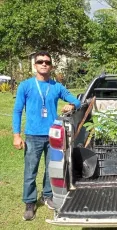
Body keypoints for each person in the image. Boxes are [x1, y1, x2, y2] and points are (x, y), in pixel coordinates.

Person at [12, 51, 81, 221]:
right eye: (40, 61)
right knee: (31, 170)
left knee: (52, 168)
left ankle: (47, 195)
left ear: (51, 66)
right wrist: (16, 135)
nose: (44, 64)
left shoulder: (56, 86)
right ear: (35, 65)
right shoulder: (26, 85)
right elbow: (17, 111)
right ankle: (29, 202)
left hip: (52, 136)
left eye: (47, 62)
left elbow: (78, 101)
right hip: (32, 136)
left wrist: (71, 105)